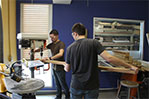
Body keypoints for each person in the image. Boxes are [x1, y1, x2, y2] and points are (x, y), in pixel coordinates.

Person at [64, 23, 138, 99]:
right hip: (92, 85)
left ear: (75, 34)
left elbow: (67, 69)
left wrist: (65, 66)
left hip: (76, 85)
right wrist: (130, 66)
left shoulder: (70, 48)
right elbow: (109, 58)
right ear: (84, 32)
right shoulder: (94, 43)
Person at [35, 29, 70, 99]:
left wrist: (50, 58)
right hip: (54, 67)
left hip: (60, 67)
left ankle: (68, 97)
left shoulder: (61, 44)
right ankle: (58, 97)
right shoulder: (51, 44)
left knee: (63, 84)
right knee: (57, 84)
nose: (51, 39)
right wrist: (34, 50)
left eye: (52, 37)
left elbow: (61, 54)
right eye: (50, 37)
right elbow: (43, 48)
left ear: (57, 36)